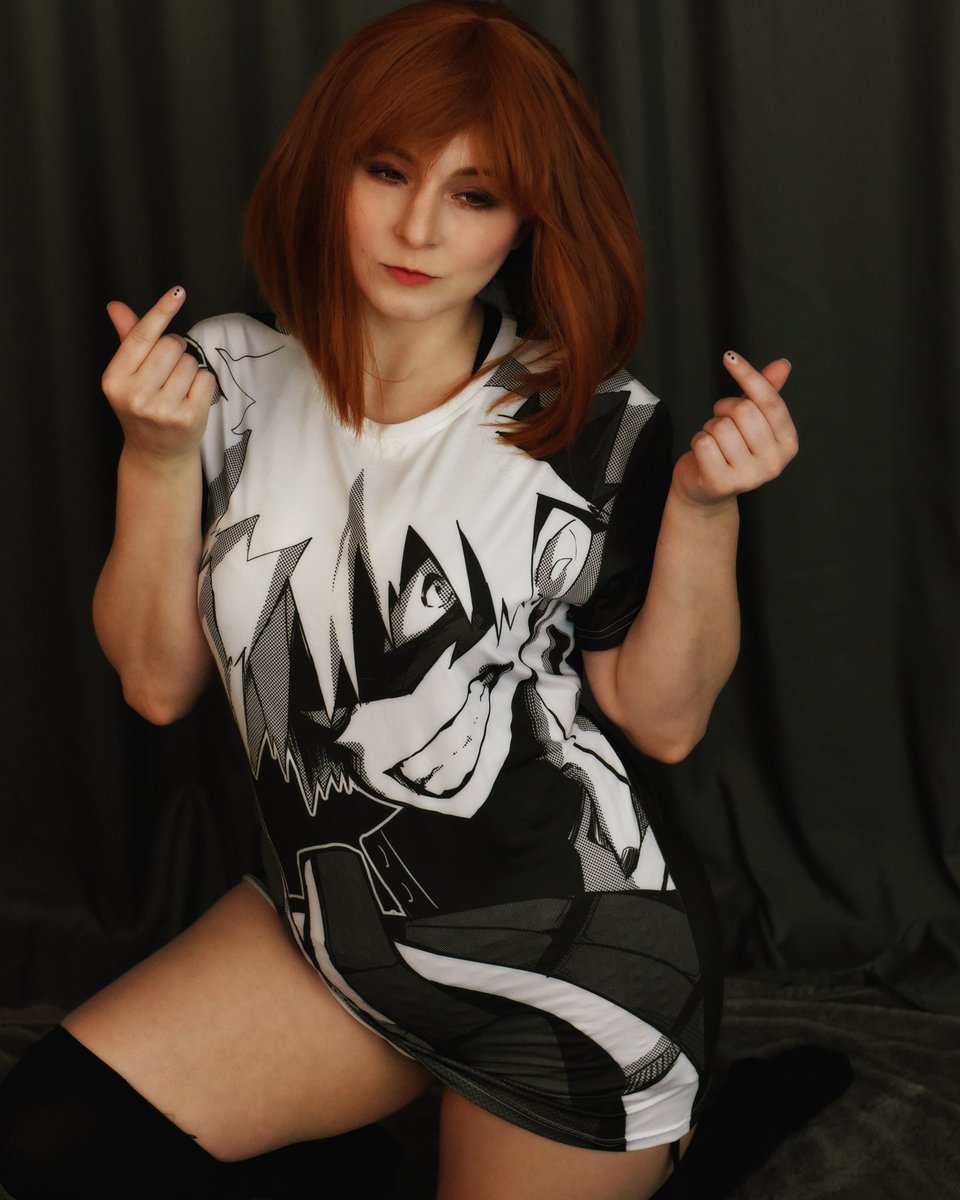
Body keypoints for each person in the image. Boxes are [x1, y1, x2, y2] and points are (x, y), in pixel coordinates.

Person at [0, 3, 797, 1198]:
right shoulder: (223, 379)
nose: (420, 227)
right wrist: (156, 461)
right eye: (387, 172)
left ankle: (691, 1135)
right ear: (329, 171)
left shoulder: (591, 422)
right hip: (332, 928)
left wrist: (706, 512)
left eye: (475, 195)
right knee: (45, 1143)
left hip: (567, 968)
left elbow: (664, 720)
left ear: (527, 221)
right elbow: (157, 685)